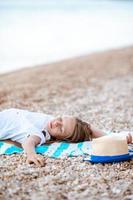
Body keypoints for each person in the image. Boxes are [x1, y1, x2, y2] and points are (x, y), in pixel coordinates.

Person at [0, 108, 132, 167]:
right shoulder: (51, 121)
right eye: (62, 119)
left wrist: (31, 155)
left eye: (61, 128)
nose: (57, 122)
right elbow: (87, 127)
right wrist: (111, 137)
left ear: (61, 138)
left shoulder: (40, 134)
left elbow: (29, 142)